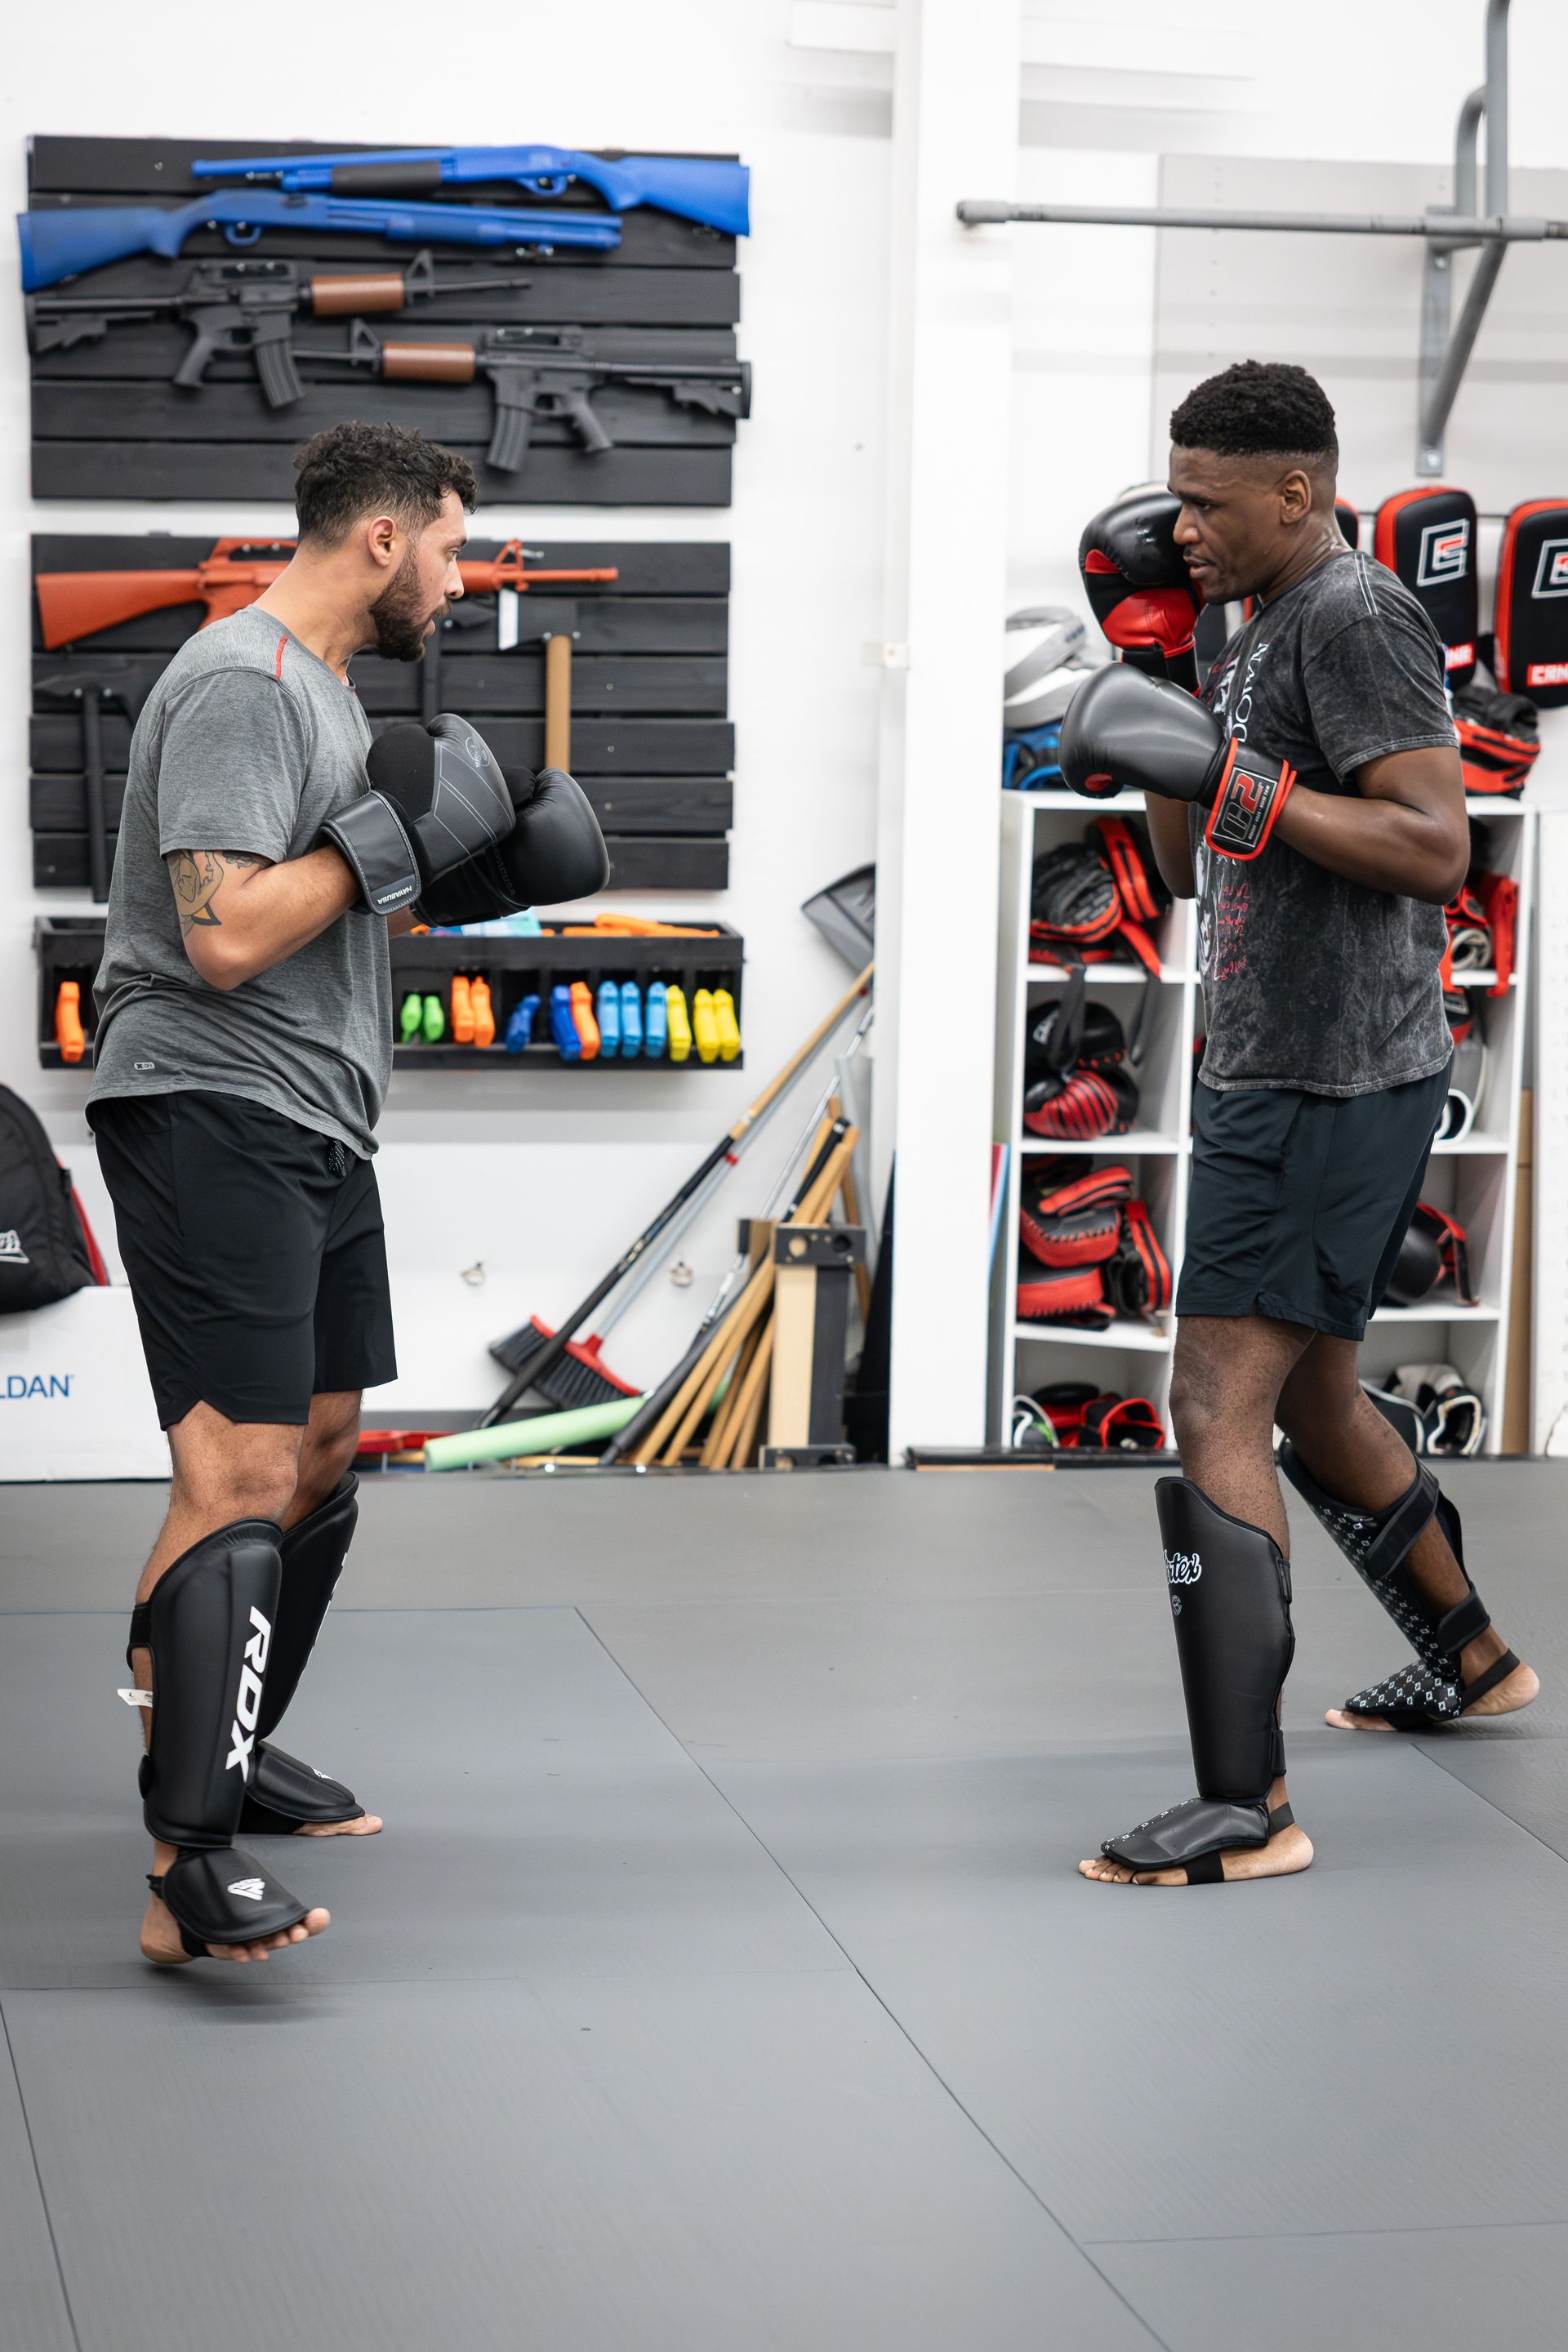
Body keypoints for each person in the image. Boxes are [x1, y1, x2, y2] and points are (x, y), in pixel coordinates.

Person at [89, 421, 607, 1964]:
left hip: (317, 1115)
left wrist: (462, 876)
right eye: (452, 548)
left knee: (315, 1456)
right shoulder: (246, 681)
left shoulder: (324, 696)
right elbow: (227, 936)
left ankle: (222, 1756)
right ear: (384, 538)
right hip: (209, 1101)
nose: (459, 582)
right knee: (234, 1472)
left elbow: (323, 905)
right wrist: (389, 842)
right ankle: (185, 1867)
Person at [1062, 360, 1537, 1889]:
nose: (1181, 528)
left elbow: (1430, 842)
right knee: (1319, 1401)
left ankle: (1246, 1805)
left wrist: (1234, 773)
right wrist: (1153, 707)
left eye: (1207, 504)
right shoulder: (1239, 624)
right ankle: (1471, 1660)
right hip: (1280, 1055)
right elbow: (1203, 857)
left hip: (1334, 1073)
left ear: (1297, 492)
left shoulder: (1355, 614)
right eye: (1175, 497)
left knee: (1214, 1398)